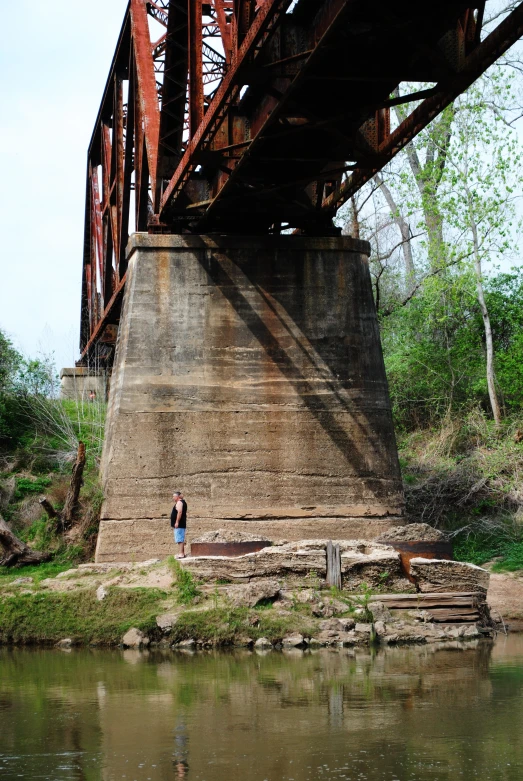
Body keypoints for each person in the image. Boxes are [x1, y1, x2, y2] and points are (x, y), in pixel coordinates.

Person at [171, 491, 188, 559]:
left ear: (177, 497)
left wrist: (177, 522)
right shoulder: (182, 502)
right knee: (180, 538)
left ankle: (181, 554)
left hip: (180, 524)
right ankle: (182, 553)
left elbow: (180, 512)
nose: (173, 498)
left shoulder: (179, 502)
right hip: (181, 523)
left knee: (180, 539)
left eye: (173, 496)